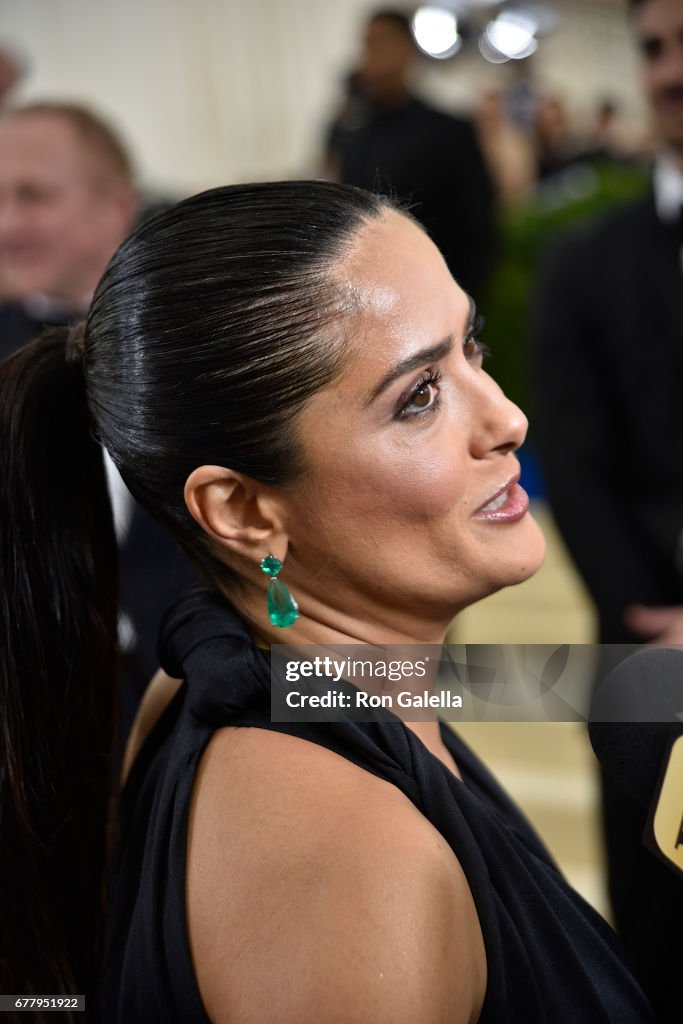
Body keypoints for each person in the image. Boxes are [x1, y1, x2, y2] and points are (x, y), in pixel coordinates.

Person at [1, 179, 658, 1022]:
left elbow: (473, 687)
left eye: (472, 348)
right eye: (418, 396)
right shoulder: (359, 866)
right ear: (242, 511)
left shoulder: (228, 659)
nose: (506, 420)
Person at [532, 1, 683, 1019]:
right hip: (646, 642)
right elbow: (572, 460)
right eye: (655, 47)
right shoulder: (584, 261)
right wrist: (647, 615)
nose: (669, 71)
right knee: (660, 920)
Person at [0, 102, 195, 732]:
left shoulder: (210, 336)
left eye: (33, 196)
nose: (6, 223)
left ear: (117, 204)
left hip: (212, 702)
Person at [327, 9, 496, 302]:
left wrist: (462, 300)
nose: (373, 56)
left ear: (408, 51)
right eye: (368, 44)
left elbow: (479, 222)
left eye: (383, 43)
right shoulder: (351, 132)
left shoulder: (448, 131)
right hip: (369, 294)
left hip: (437, 291)